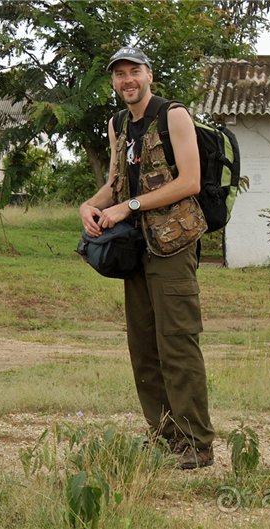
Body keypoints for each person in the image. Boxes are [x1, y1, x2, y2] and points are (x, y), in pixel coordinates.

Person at [78, 46, 214, 469]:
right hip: (134, 248)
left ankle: (197, 444)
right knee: (144, 347)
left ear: (148, 75)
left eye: (133, 71)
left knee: (177, 342)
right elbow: (117, 184)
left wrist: (129, 207)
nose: (126, 80)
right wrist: (91, 204)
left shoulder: (173, 115)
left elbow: (189, 181)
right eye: (119, 75)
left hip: (172, 245)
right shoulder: (118, 123)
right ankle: (166, 437)